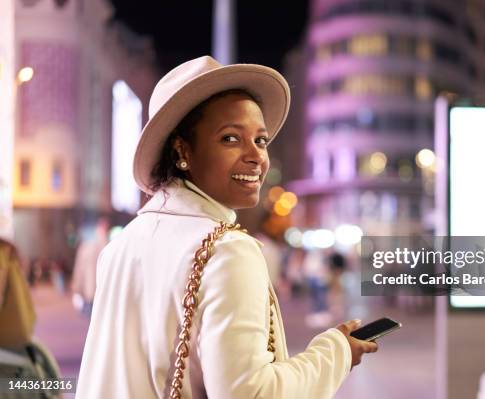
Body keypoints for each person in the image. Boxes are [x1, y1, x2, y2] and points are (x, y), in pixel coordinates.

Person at [75, 56, 377, 399]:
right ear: (182, 150)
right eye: (231, 138)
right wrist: (334, 353)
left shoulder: (119, 247)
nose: (256, 156)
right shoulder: (227, 251)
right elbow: (251, 394)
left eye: (260, 141)